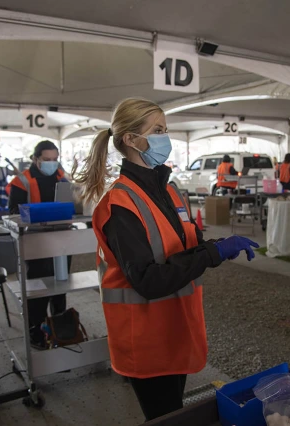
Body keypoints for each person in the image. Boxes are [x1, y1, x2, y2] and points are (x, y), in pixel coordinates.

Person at [72, 98, 259, 421]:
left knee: (172, 413)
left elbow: (186, 246)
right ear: (131, 139)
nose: (165, 138)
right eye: (157, 130)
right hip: (145, 339)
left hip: (175, 330)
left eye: (165, 130)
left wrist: (217, 247)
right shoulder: (119, 204)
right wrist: (211, 254)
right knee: (166, 417)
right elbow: (147, 279)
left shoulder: (168, 191)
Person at [8, 141, 70, 348]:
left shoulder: (62, 177)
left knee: (61, 288)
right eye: (47, 160)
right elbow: (13, 214)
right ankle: (37, 333)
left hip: (62, 241)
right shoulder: (21, 181)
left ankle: (61, 332)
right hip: (36, 242)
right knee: (38, 291)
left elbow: (71, 205)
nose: (52, 164)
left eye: (55, 160)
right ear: (36, 159)